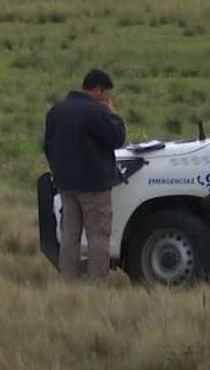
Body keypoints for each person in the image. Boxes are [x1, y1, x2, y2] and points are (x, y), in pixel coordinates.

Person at [42, 69, 127, 281]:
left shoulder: (56, 110)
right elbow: (116, 138)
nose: (106, 98)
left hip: (65, 183)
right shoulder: (95, 112)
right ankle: (97, 282)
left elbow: (47, 145)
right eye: (105, 93)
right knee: (98, 233)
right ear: (97, 89)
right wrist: (114, 115)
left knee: (70, 234)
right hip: (94, 185)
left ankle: (68, 279)